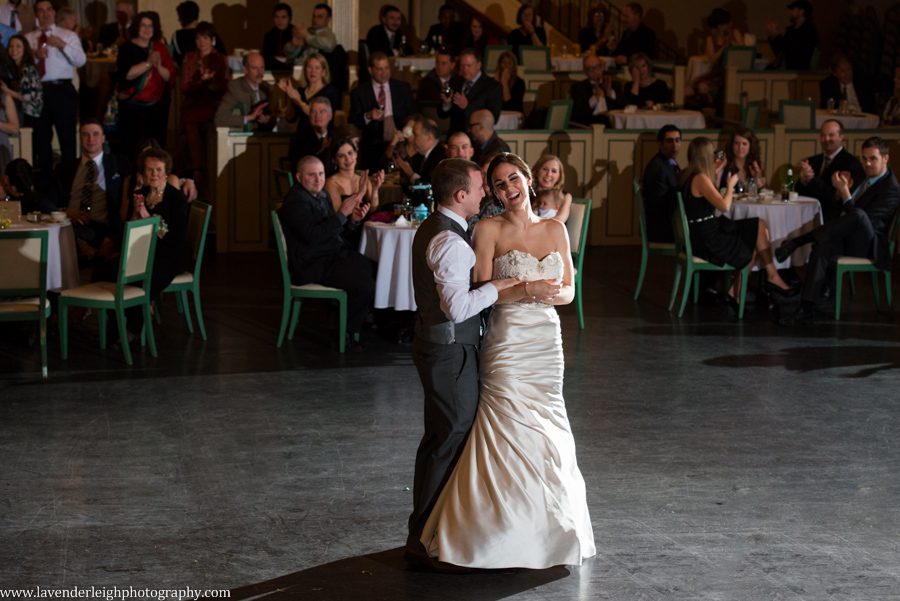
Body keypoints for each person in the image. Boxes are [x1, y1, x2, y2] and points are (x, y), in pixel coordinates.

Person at [416, 153, 596, 570]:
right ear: (493, 193)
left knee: (548, 425)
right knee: (507, 423)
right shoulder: (487, 229)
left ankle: (550, 530)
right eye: (498, 184)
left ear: (528, 180)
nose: (507, 188)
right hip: (508, 337)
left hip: (545, 342)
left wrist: (548, 294)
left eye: (513, 178)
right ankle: (496, 531)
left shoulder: (555, 229)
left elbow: (569, 291)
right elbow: (483, 291)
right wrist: (527, 290)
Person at [404, 157, 519, 568]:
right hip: (449, 351)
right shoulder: (449, 242)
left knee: (441, 436)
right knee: (450, 437)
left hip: (442, 348)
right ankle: (427, 536)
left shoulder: (441, 228)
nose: (485, 191)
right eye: (479, 186)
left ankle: (429, 530)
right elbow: (456, 308)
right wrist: (496, 287)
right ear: (460, 195)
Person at [776, 137, 900, 323]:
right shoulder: (863, 177)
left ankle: (796, 242)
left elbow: (863, 220)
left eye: (873, 158)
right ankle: (806, 308)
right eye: (864, 158)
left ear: (886, 158)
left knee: (859, 215)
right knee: (822, 246)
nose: (867, 163)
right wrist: (839, 194)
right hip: (848, 238)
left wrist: (845, 194)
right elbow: (842, 213)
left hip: (869, 244)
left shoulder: (891, 188)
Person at [680, 137, 793, 306]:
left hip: (705, 231)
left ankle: (765, 278)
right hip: (708, 239)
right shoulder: (700, 178)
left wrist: (717, 172)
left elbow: (709, 199)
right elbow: (724, 206)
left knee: (759, 225)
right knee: (752, 242)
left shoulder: (690, 175)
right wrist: (731, 185)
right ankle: (745, 288)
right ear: (705, 156)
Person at [278, 155, 374, 348]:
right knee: (364, 283)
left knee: (373, 267)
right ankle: (345, 332)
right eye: (311, 175)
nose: (318, 179)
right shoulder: (296, 201)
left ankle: (358, 321)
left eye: (321, 174)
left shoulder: (321, 195)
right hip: (310, 264)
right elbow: (313, 236)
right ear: (299, 177)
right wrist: (342, 214)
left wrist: (352, 220)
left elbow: (333, 230)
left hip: (327, 256)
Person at [25, 0, 86, 176]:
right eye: (40, 10)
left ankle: (68, 182)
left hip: (62, 91)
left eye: (48, 9)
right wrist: (34, 56)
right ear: (36, 14)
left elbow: (81, 60)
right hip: (38, 92)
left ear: (54, 12)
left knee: (67, 139)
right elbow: (21, 66)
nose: (45, 14)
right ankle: (45, 183)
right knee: (41, 141)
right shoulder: (29, 38)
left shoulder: (68, 35)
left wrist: (61, 44)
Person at [55, 119, 129, 262]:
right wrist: (65, 211)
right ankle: (88, 252)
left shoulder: (119, 164)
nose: (90, 139)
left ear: (103, 138)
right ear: (80, 138)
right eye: (85, 134)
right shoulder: (65, 168)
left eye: (95, 134)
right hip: (70, 223)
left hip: (101, 227)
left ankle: (89, 251)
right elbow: (49, 199)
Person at [128, 146, 189, 300]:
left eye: (159, 169)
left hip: (168, 256)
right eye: (149, 170)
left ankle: (141, 309)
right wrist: (135, 213)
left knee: (137, 281)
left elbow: (175, 239)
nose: (154, 174)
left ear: (166, 172)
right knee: (107, 269)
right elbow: (130, 229)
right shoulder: (140, 194)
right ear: (143, 173)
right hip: (142, 252)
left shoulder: (177, 199)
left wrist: (147, 217)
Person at [116, 11, 174, 161]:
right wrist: (148, 63)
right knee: (132, 148)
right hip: (132, 106)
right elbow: (127, 75)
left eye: (150, 26)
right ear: (137, 27)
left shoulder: (160, 47)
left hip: (157, 106)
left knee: (157, 147)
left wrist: (159, 66)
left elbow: (168, 76)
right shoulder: (126, 48)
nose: (147, 29)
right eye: (143, 25)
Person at [177, 22, 228, 192]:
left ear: (212, 40)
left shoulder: (219, 59)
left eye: (205, 38)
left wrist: (209, 82)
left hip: (211, 103)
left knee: (190, 123)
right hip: (192, 101)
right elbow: (184, 87)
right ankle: (187, 174)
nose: (202, 42)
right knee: (185, 134)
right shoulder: (190, 58)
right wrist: (199, 82)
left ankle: (196, 170)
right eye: (198, 38)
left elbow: (222, 87)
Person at [349, 51, 414, 171]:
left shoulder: (403, 88)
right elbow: (353, 120)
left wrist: (408, 127)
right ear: (370, 70)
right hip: (374, 144)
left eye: (386, 68)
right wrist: (368, 116)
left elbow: (413, 114)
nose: (384, 73)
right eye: (379, 69)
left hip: (401, 141)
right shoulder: (359, 92)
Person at [795, 119, 865, 223]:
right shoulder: (812, 161)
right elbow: (797, 193)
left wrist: (812, 179)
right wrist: (803, 181)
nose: (826, 139)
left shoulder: (851, 163)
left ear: (841, 137)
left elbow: (837, 198)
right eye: (823, 135)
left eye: (831, 135)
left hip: (833, 222)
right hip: (805, 217)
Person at [439, 49, 502, 135]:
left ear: (478, 65)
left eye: (469, 66)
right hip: (455, 136)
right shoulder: (455, 82)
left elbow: (494, 118)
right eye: (462, 65)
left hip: (476, 137)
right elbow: (442, 115)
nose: (465, 69)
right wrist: (447, 104)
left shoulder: (492, 86)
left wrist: (467, 107)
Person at [277, 52, 339, 131]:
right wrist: (289, 95)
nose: (313, 71)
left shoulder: (330, 91)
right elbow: (290, 118)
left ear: (323, 72)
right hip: (302, 134)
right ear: (305, 70)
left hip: (322, 135)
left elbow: (316, 116)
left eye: (317, 68)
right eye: (310, 67)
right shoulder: (300, 91)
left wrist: (299, 101)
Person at [642, 124, 681, 243]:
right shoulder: (657, 167)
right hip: (663, 229)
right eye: (669, 141)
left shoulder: (669, 162)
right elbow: (661, 205)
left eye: (677, 140)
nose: (674, 145)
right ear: (660, 144)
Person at [215, 51, 273, 131]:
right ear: (245, 70)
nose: (260, 73)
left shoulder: (266, 87)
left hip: (265, 135)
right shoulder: (235, 88)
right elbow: (220, 119)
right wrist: (248, 118)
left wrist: (268, 120)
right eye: (254, 68)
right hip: (244, 136)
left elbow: (274, 116)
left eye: (262, 68)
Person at [324, 137, 384, 212]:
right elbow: (340, 215)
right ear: (334, 160)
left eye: (350, 153)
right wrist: (360, 193)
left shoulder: (363, 179)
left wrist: (375, 189)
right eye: (341, 156)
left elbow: (372, 210)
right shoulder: (331, 183)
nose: (347, 158)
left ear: (356, 154)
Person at [1, 34, 42, 132]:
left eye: (18, 46)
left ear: (25, 49)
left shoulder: (28, 69)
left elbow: (27, 97)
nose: (14, 49)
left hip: (32, 116)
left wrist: (7, 91)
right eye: (11, 46)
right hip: (24, 114)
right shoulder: (15, 69)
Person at [765, 0, 818, 70]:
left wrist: (776, 35)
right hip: (787, 67)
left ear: (801, 11)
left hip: (798, 70)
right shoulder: (791, 30)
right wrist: (773, 35)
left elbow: (793, 51)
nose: (790, 12)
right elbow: (780, 50)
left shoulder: (809, 30)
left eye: (793, 9)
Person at [170, 1, 226, 66]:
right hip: (211, 68)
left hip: (186, 69)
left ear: (181, 17)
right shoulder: (209, 31)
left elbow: (174, 60)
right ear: (197, 14)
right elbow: (223, 54)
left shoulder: (176, 36)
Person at [570, 54, 619, 125]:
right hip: (590, 126)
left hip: (611, 126)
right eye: (590, 69)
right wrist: (595, 98)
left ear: (602, 67)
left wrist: (610, 92)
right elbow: (577, 113)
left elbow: (624, 107)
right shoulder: (578, 87)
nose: (594, 71)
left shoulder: (614, 85)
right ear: (585, 72)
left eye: (597, 67)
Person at [395, 117, 446, 185]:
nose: (412, 139)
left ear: (429, 137)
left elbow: (431, 186)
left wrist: (411, 174)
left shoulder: (441, 156)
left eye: (415, 135)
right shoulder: (421, 156)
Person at [288, 96, 334, 169]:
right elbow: (299, 167)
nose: (317, 116)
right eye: (313, 112)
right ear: (309, 115)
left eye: (322, 112)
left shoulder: (336, 136)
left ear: (330, 115)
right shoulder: (298, 139)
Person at [532, 154, 572, 222]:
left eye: (554, 171)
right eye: (545, 169)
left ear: (559, 176)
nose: (549, 174)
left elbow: (559, 220)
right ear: (537, 171)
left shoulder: (566, 196)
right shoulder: (527, 193)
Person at [262, 3, 294, 73]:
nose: (280, 21)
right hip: (273, 69)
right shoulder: (269, 35)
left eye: (283, 17)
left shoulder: (295, 33)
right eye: (276, 17)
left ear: (289, 18)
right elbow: (266, 57)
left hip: (291, 70)